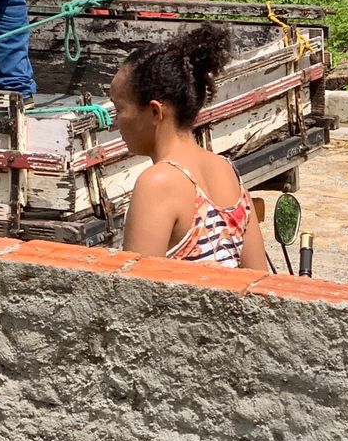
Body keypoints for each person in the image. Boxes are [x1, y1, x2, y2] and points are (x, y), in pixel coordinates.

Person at [112, 21, 268, 268]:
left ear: (155, 112)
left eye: (119, 109)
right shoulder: (226, 169)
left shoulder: (157, 183)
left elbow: (137, 297)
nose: (115, 122)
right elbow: (259, 277)